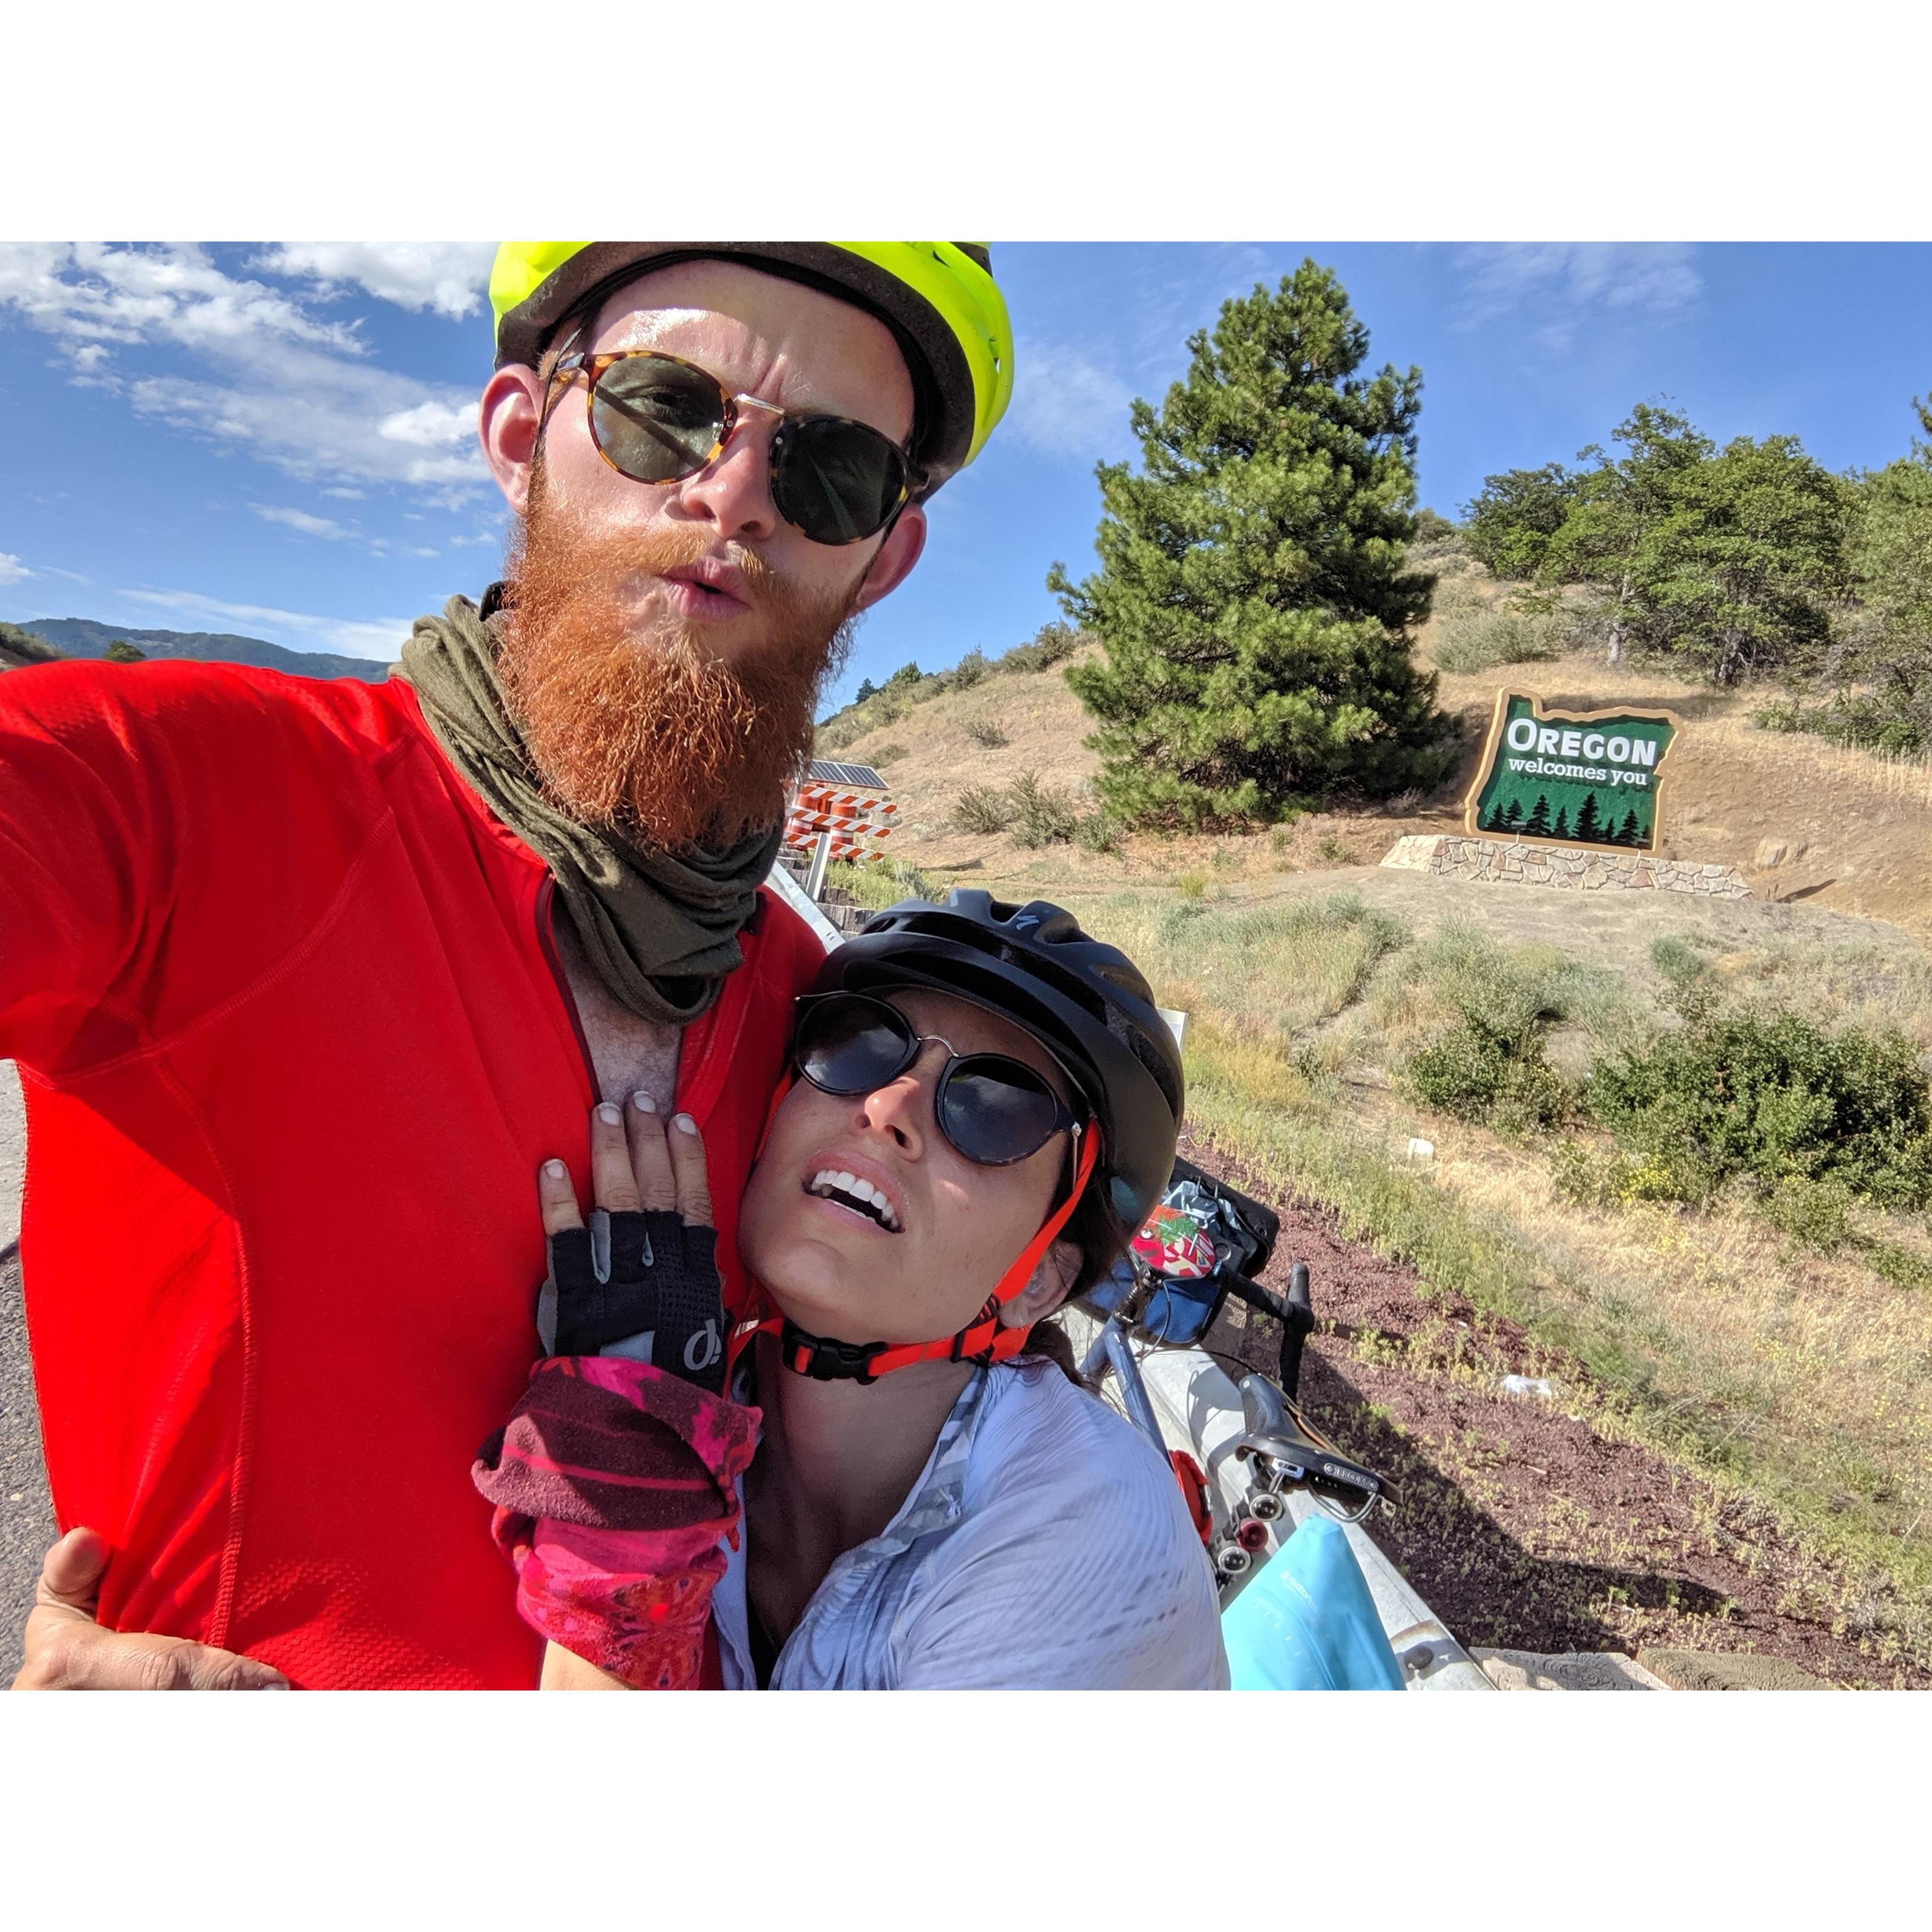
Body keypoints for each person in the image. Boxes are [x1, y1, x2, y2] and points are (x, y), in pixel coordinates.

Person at [7, 242, 1015, 1689]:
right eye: (665, 408)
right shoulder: (184, 795)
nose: (733, 493)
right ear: (522, 435)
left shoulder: (827, 1033)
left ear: (883, 559)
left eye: (832, 470)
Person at [478, 893, 1228, 1689]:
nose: (887, 1107)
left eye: (993, 1108)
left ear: (1040, 1280)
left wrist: (631, 1514)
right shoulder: (690, 1385)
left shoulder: (1086, 1533)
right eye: (859, 1042)